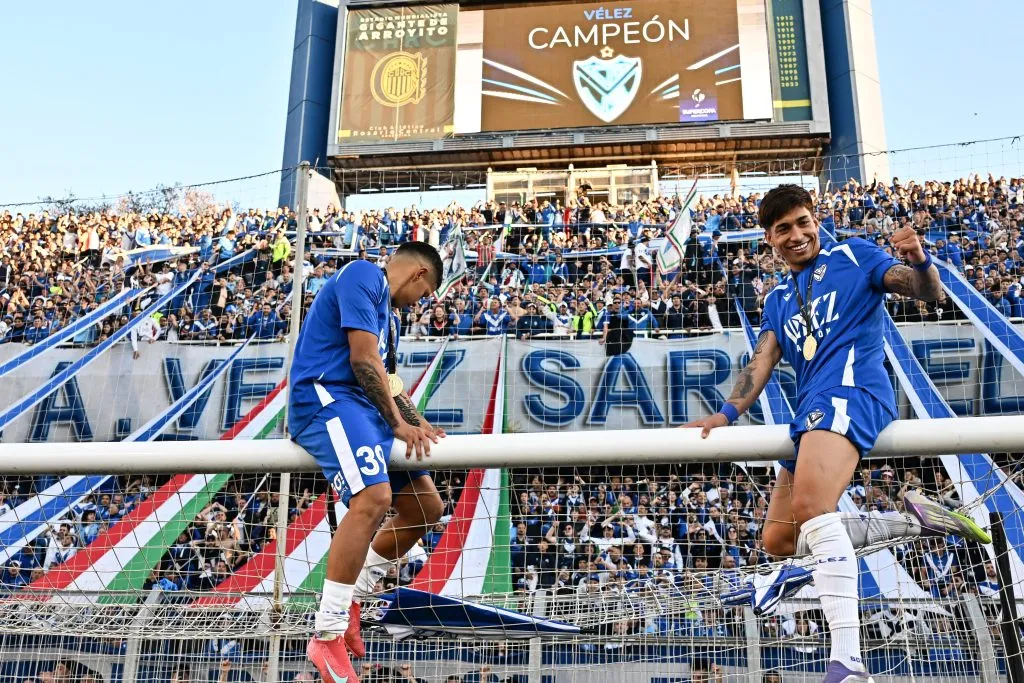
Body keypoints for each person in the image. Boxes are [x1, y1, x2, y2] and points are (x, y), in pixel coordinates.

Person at [685, 185, 991, 683]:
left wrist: (920, 262)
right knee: (780, 539)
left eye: (803, 222)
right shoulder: (779, 298)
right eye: (784, 228)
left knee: (811, 511)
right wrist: (724, 414)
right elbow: (760, 362)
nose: (797, 234)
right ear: (770, 239)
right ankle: (913, 522)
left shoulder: (854, 255)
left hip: (852, 392)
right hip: (810, 411)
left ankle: (848, 662)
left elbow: (925, 292)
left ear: (816, 220)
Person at [289, 241, 447, 683]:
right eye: (427, 292)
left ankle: (354, 595)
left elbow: (387, 379)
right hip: (327, 398)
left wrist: (419, 422)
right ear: (418, 274)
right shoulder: (363, 276)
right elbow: (362, 360)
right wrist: (399, 424)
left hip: (364, 410)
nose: (422, 302)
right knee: (373, 498)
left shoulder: (389, 319)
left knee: (426, 508)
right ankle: (327, 632)